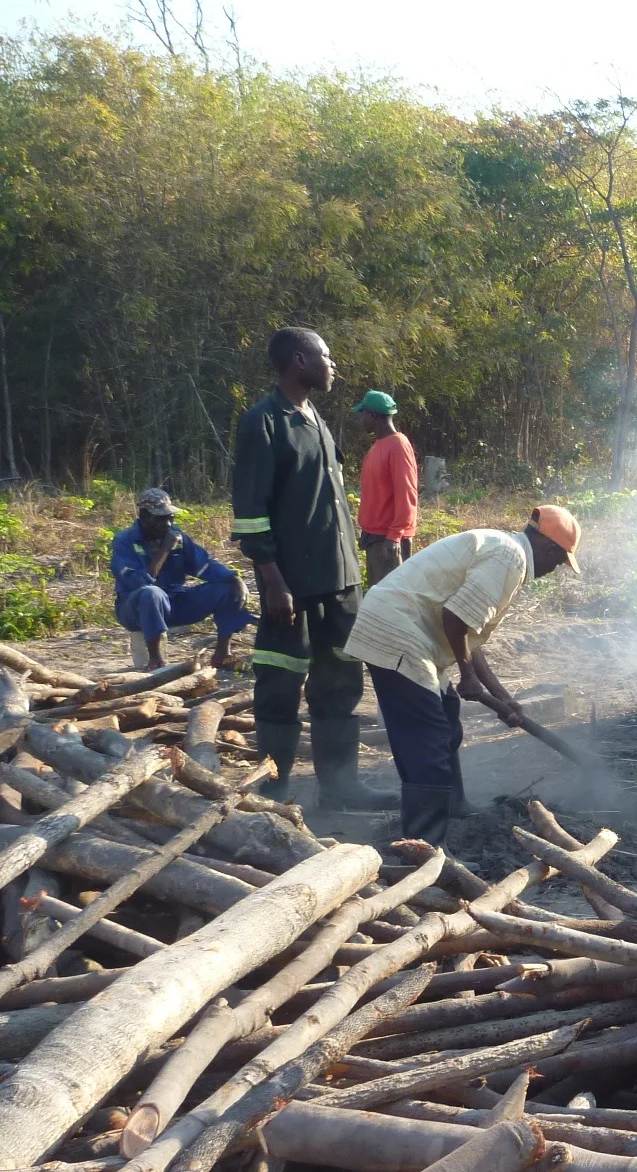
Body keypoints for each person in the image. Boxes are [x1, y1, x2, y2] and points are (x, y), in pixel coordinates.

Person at [343, 505, 582, 843]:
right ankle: (424, 843)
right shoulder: (510, 558)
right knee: (427, 738)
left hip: (406, 629)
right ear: (548, 547)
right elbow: (455, 618)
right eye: (558, 561)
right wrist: (467, 676)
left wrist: (502, 696)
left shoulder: (504, 550)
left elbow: (467, 631)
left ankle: (454, 806)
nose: (553, 569)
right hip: (397, 630)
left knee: (446, 713)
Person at [231, 327, 396, 810]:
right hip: (292, 586)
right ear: (300, 361)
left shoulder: (315, 418)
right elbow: (251, 511)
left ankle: (341, 787)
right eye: (326, 355)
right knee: (280, 683)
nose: (333, 364)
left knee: (340, 682)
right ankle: (274, 791)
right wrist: (272, 581)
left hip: (340, 581)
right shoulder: (263, 422)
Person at [109, 488, 255, 669]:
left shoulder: (176, 536)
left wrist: (235, 579)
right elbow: (141, 582)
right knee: (151, 593)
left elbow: (204, 565)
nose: (168, 524)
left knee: (228, 589)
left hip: (174, 601)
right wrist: (164, 550)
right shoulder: (125, 541)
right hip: (135, 608)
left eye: (170, 518)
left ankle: (222, 655)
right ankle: (156, 660)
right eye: (160, 518)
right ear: (144, 516)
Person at [353, 390, 419, 585]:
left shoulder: (398, 445)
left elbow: (407, 492)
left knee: (391, 598)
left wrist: (395, 535)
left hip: (388, 541)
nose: (361, 419)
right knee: (378, 596)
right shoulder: (378, 446)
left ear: (373, 415)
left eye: (363, 414)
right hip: (375, 538)